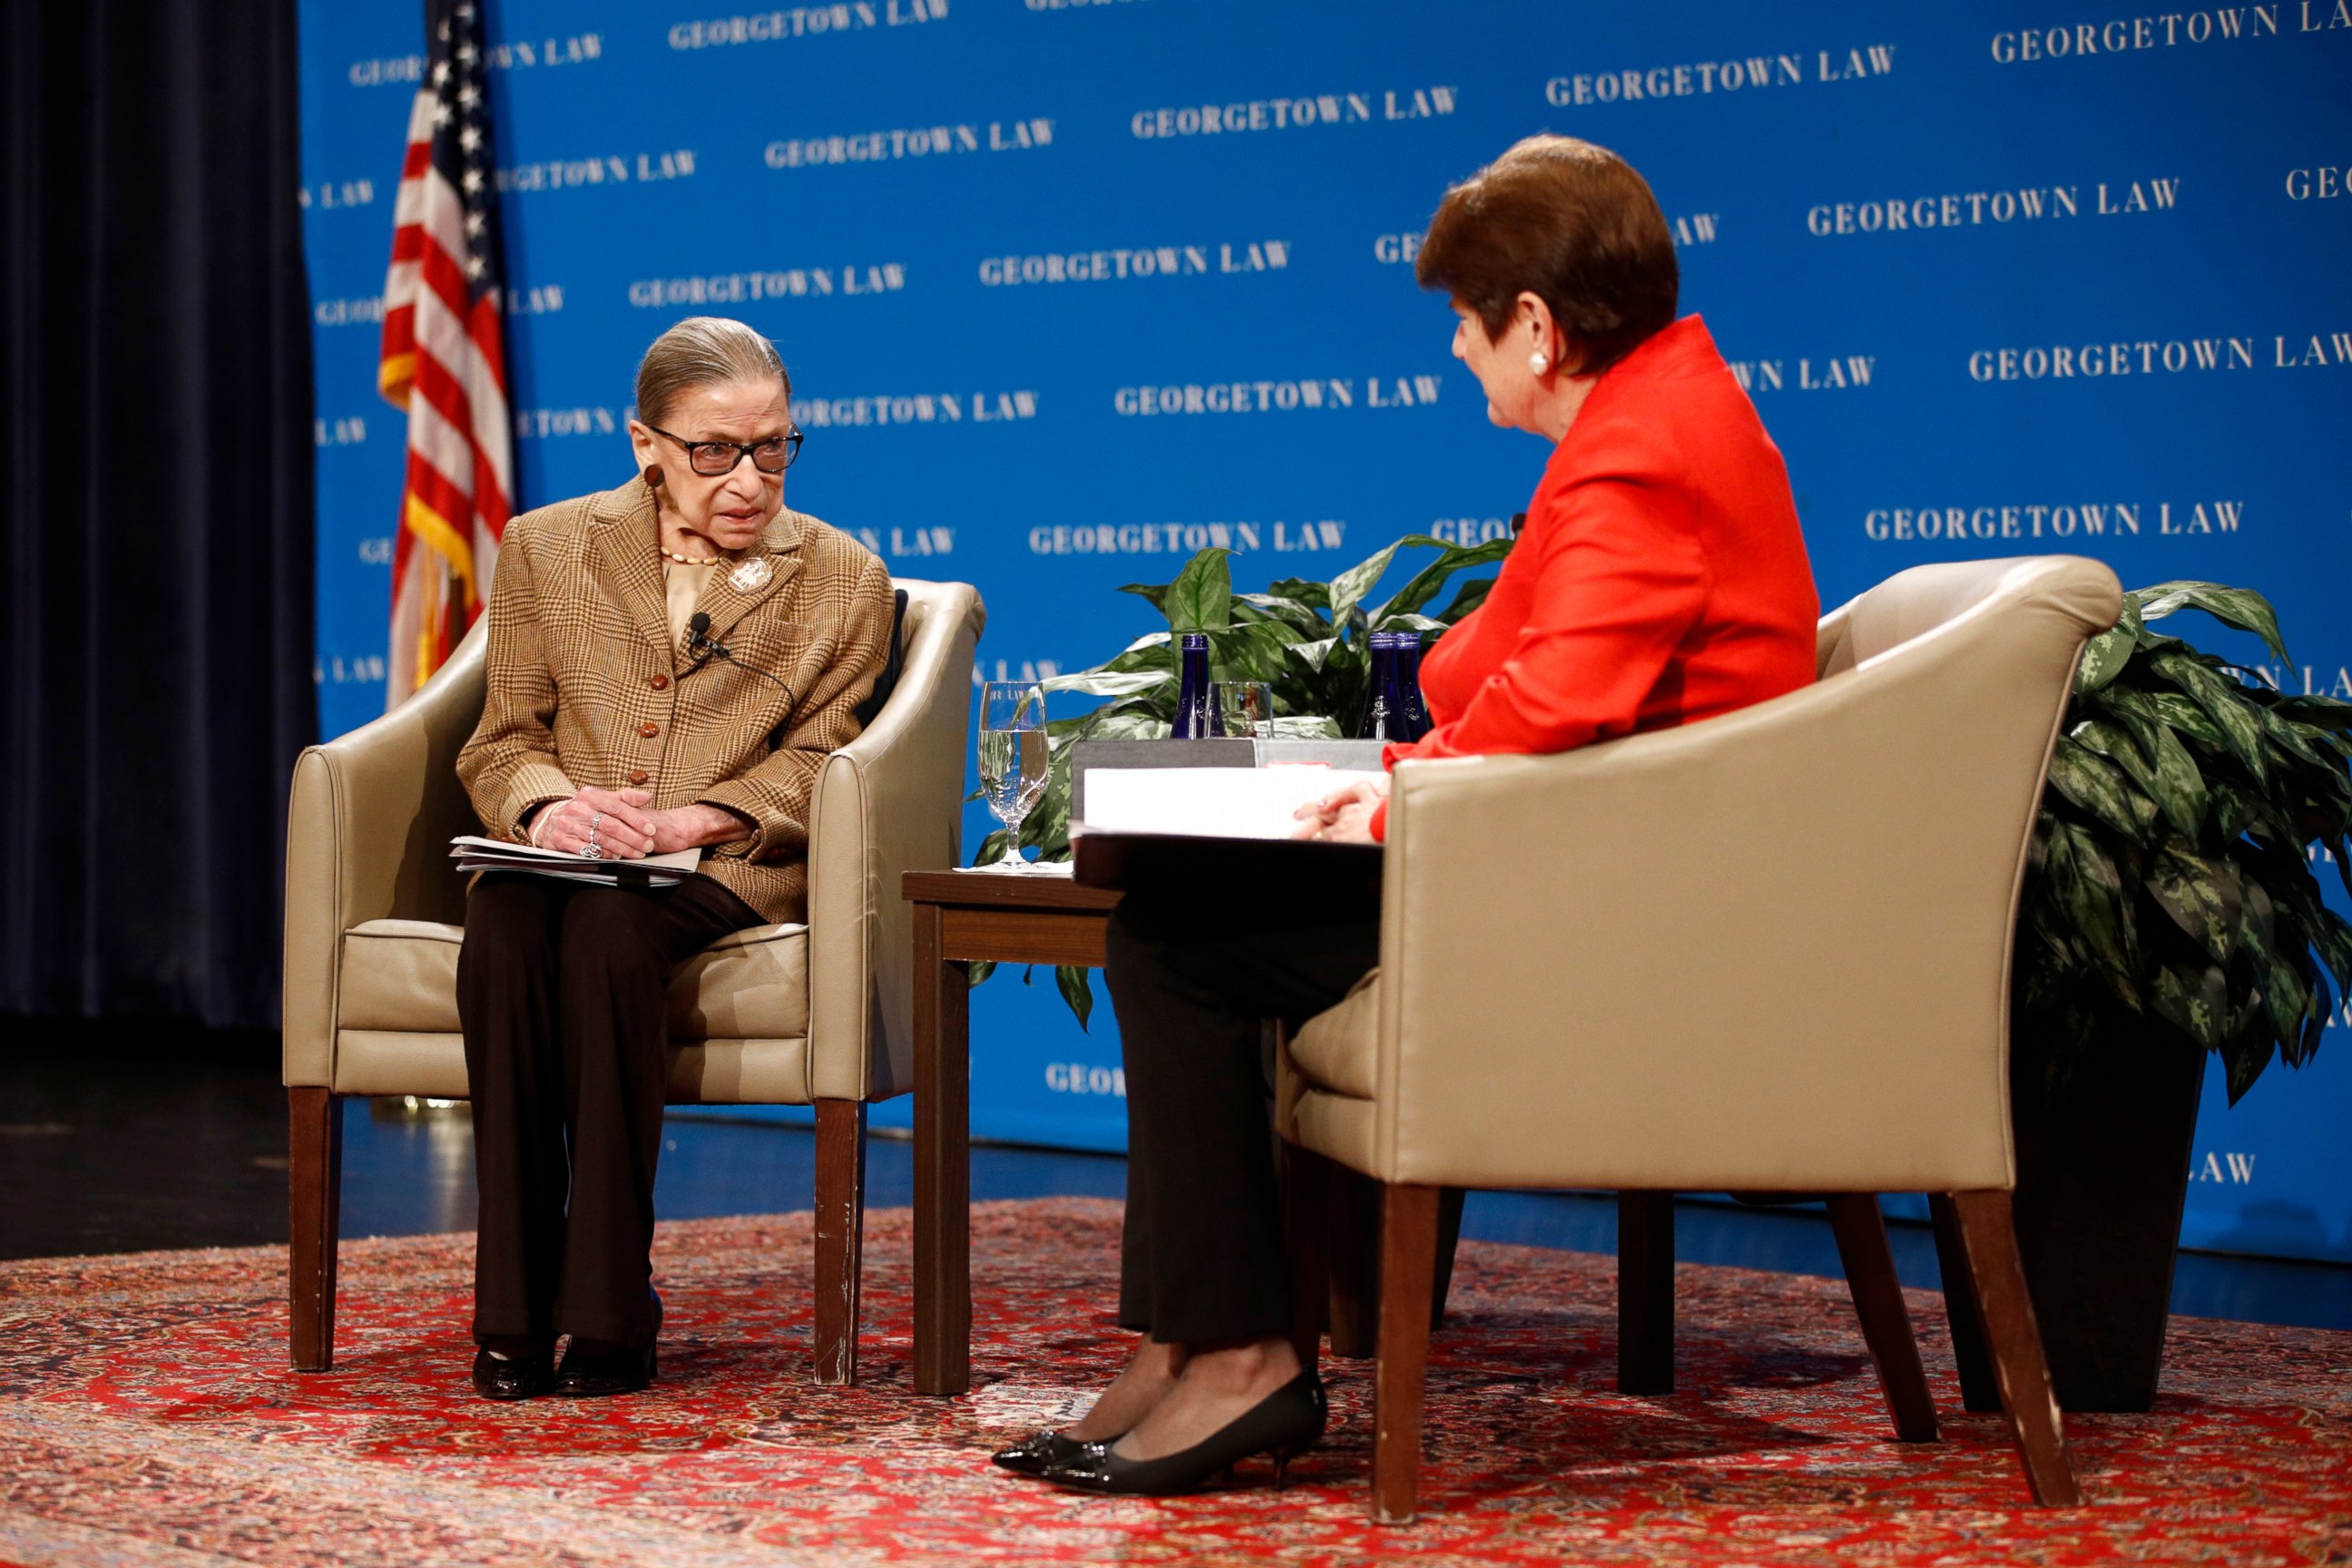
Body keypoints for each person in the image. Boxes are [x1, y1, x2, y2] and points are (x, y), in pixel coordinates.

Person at [1000, 136, 1821, 1494]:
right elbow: (1496, 671)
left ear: (1539, 330)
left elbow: (1553, 703)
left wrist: (1378, 809)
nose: (1454, 351)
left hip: (1620, 896)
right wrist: (1397, 767)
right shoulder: (1649, 419)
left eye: (1465, 322)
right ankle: (1194, 1342)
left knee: (1175, 940)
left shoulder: (1643, 456)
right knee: (1174, 914)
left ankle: (1242, 1356)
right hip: (1590, 848)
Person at [453, 317, 894, 1400]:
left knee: (610, 929)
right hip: (566, 860)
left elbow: (831, 759)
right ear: (644, 443)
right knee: (507, 924)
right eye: (714, 451)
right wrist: (550, 810)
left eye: (774, 447)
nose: (749, 479)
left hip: (723, 870)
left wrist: (693, 821)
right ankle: (511, 1309)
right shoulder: (547, 547)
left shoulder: (844, 577)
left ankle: (607, 1308)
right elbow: (502, 737)